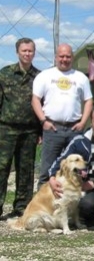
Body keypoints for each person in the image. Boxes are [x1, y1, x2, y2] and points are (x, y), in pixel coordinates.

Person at [32, 43, 93, 189]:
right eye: (61, 56)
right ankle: (44, 204)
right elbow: (35, 99)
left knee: (76, 169)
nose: (64, 59)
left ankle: (71, 202)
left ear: (72, 57)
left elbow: (89, 100)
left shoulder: (80, 77)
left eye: (67, 56)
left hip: (74, 129)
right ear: (56, 57)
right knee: (47, 169)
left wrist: (83, 122)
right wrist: (43, 121)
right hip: (52, 128)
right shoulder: (45, 75)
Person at [0, 38, 41, 219]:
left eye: (30, 51)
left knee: (26, 170)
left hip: (29, 131)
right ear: (17, 52)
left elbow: (43, 105)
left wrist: (41, 132)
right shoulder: (5, 74)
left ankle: (22, 208)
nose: (27, 54)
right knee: (2, 168)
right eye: (24, 51)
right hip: (6, 129)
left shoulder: (39, 77)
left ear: (34, 53)